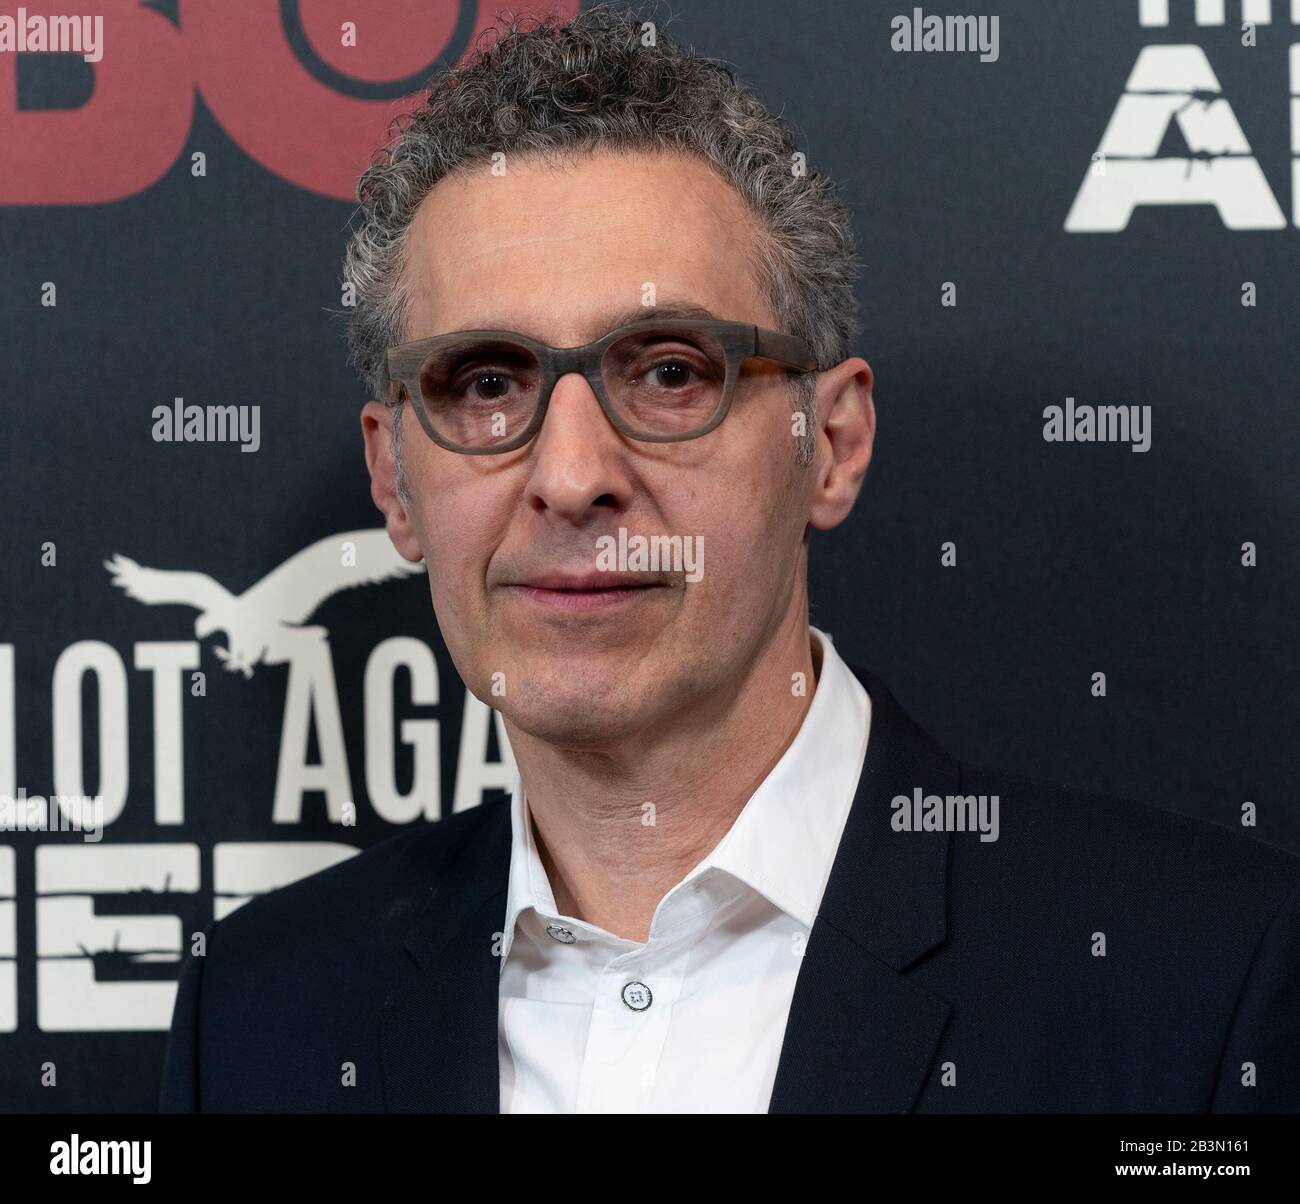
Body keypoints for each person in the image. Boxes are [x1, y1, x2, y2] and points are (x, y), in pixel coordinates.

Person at [160, 3, 1300, 1114]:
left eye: (666, 372)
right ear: (395, 483)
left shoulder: (1204, 977)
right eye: (487, 383)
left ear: (832, 447)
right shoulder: (259, 1013)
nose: (569, 474)